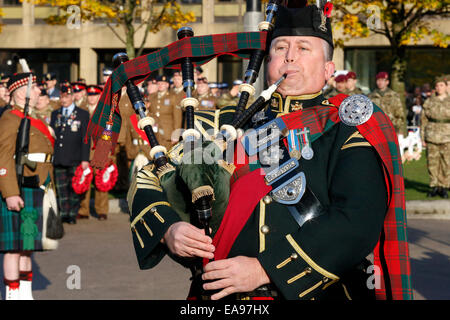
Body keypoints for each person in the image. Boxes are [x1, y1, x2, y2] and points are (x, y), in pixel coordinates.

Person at [126, 3, 412, 300]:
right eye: (280, 48)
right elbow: (151, 176)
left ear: (329, 69)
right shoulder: (225, 125)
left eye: (303, 48)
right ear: (268, 62)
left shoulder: (346, 126)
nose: (289, 56)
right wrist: (168, 229)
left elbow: (356, 221)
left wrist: (266, 270)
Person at [0, 72, 58, 300]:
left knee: (27, 246)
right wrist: (10, 193)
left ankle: (25, 293)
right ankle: (12, 295)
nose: (38, 92)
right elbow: (3, 157)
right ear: (21, 92)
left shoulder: (35, 118)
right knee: (13, 248)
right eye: (34, 88)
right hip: (20, 186)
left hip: (38, 185)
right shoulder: (9, 119)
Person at [50, 84, 90, 224]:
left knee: (74, 188)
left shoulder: (82, 114)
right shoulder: (55, 113)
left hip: (75, 157)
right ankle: (64, 213)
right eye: (61, 96)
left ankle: (72, 213)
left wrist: (85, 159)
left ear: (73, 96)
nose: (63, 99)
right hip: (59, 156)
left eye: (66, 96)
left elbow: (86, 138)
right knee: (61, 188)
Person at [78, 85, 110, 220]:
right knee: (84, 181)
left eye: (94, 95)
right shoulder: (81, 110)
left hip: (99, 151)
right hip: (84, 151)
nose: (92, 98)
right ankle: (83, 210)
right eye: (90, 96)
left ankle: (101, 210)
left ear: (99, 96)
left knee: (101, 183)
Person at [421, 75, 450, 198]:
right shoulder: (429, 101)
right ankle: (433, 186)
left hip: (447, 135)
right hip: (432, 135)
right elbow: (423, 120)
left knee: (446, 163)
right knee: (432, 162)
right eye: (437, 85)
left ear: (446, 86)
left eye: (441, 85)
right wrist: (422, 138)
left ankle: (443, 187)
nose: (439, 87)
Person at [146, 75, 183, 150]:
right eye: (159, 84)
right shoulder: (151, 97)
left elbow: (177, 117)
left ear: (167, 85)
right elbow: (149, 113)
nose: (160, 85)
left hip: (168, 133)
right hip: (154, 132)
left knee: (167, 156)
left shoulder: (173, 97)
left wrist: (176, 135)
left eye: (163, 84)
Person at [369, 72, 407, 137]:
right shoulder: (371, 96)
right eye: (378, 80)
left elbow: (400, 115)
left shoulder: (394, 96)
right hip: (375, 129)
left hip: (391, 129)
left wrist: (399, 130)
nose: (380, 82)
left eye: (382, 80)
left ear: (387, 82)